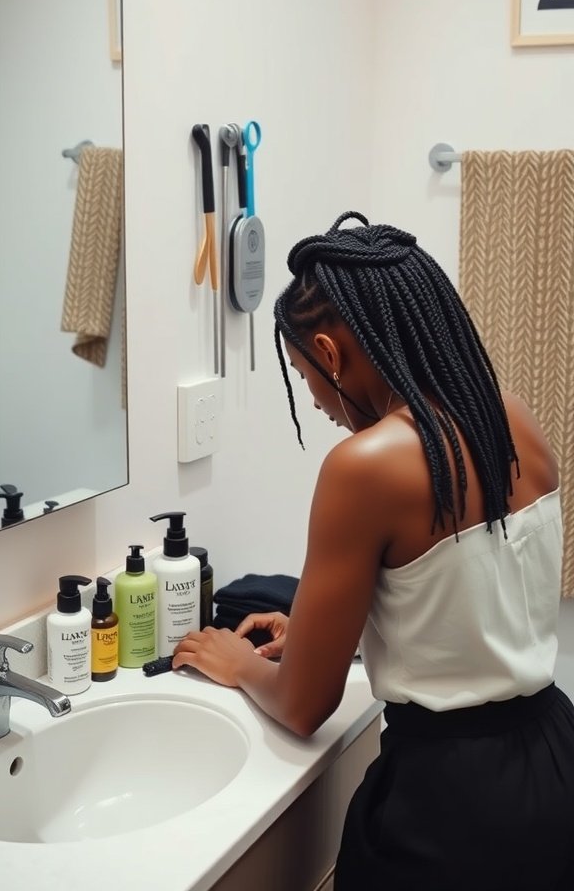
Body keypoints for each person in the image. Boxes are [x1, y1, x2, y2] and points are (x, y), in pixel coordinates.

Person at [173, 211, 574, 890]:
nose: (320, 403)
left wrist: (241, 665)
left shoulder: (363, 466)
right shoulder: (511, 416)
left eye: (304, 377)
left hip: (450, 812)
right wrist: (322, 632)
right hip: (554, 762)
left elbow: (304, 708)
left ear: (329, 354)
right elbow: (469, 602)